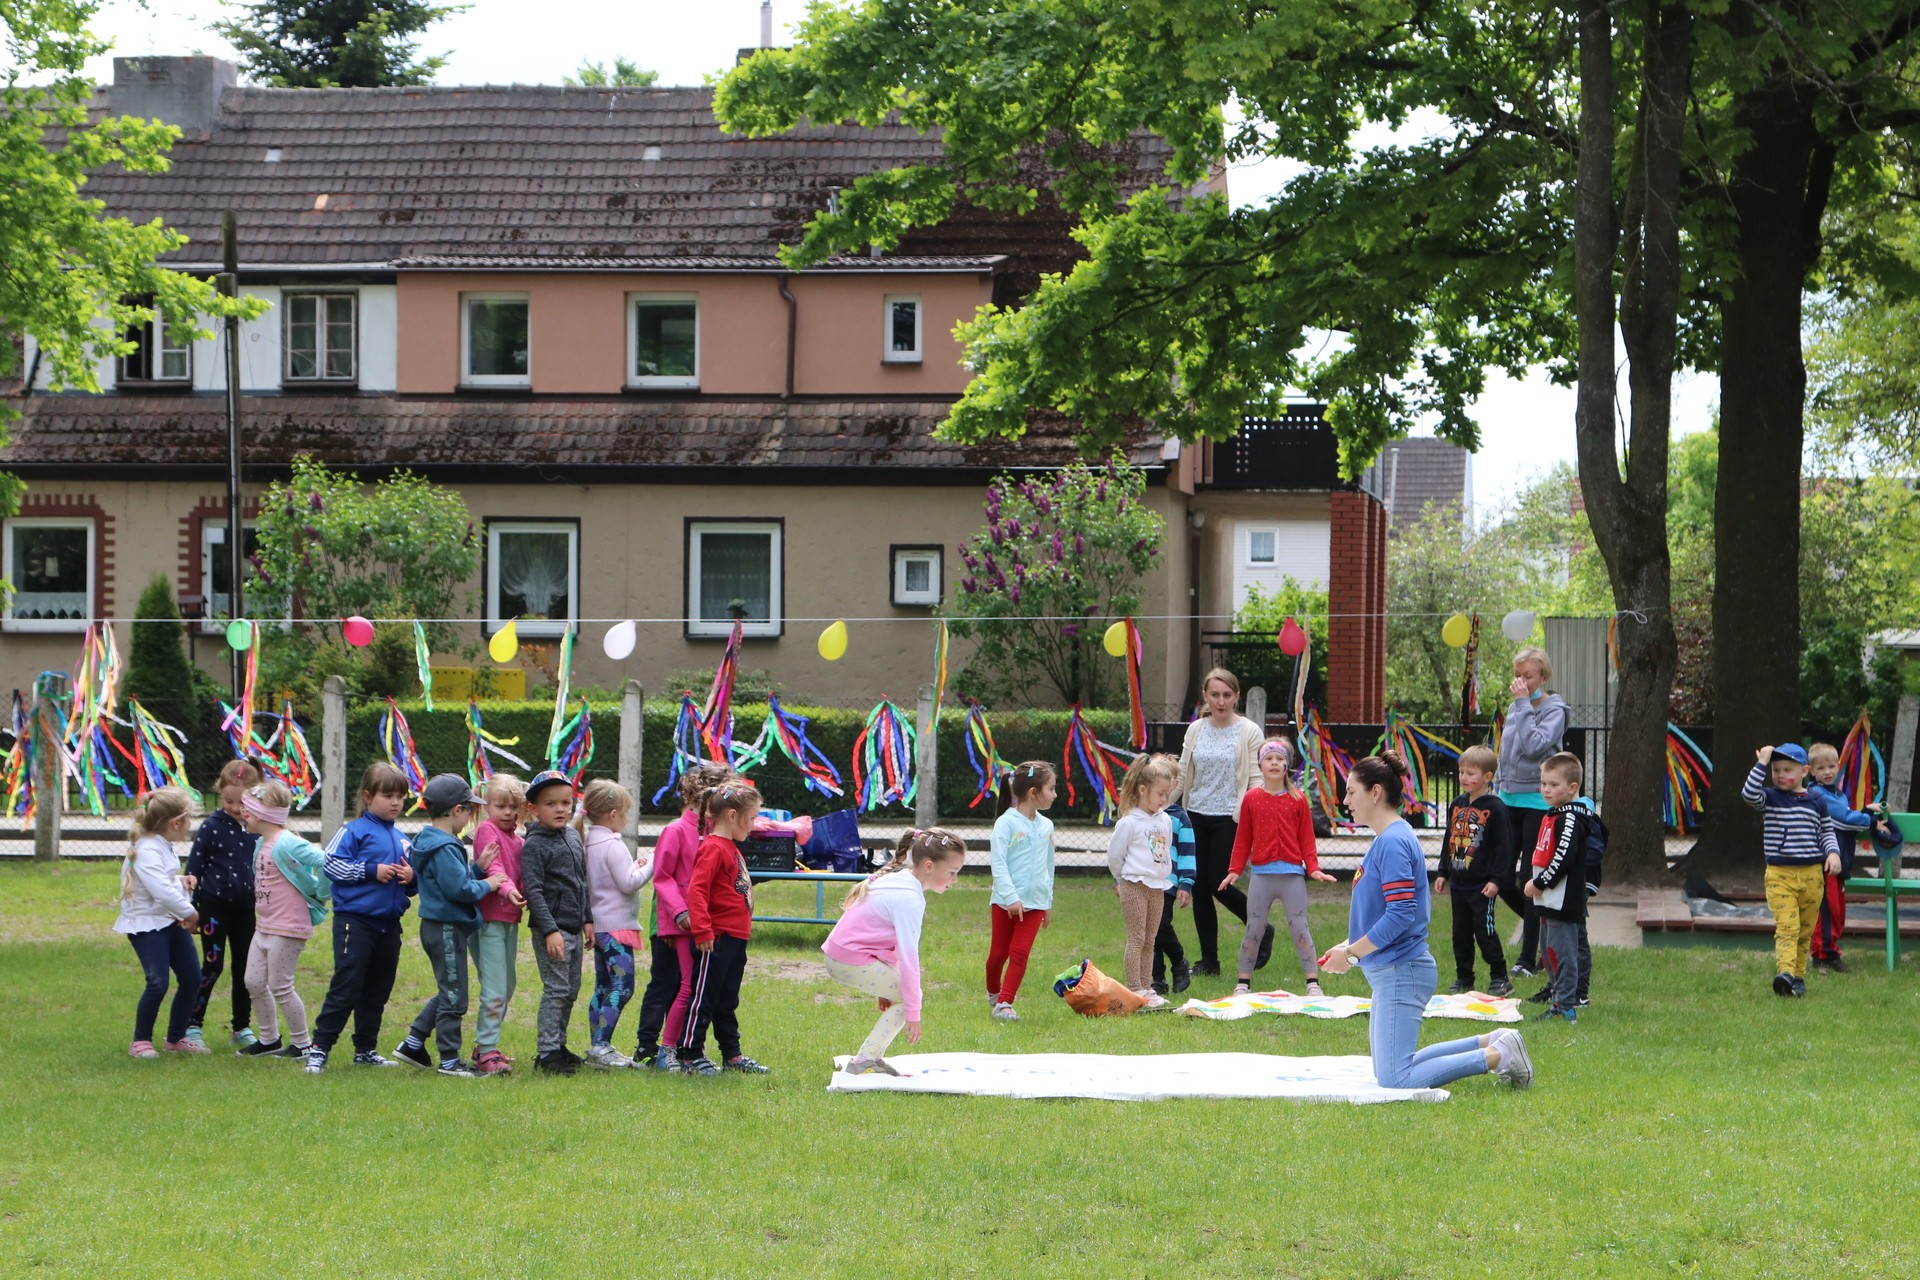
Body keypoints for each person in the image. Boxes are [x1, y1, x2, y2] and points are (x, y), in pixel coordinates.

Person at [1320, 753, 1534, 1091]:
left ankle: (1498, 1056)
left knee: (1396, 1078)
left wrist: (1351, 955)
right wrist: (1348, 947)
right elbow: (1384, 912)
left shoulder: (1393, 841)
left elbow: (1401, 914)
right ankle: (1494, 1041)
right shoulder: (1389, 837)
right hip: (1395, 971)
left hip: (1401, 971)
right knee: (1391, 1069)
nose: (1345, 801)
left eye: (1350, 792)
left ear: (1375, 793)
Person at [823, 827, 968, 1076]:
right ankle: (866, 1059)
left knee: (905, 995)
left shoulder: (901, 881)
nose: (954, 879)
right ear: (929, 866)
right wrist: (913, 1012)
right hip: (847, 959)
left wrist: (886, 986)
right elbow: (910, 959)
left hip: (841, 955)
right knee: (910, 997)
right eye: (952, 872)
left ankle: (870, 1057)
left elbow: (887, 943)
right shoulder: (909, 898)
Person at [393, 775, 508, 1078]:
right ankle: (449, 1061)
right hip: (445, 928)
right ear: (457, 810)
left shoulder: (431, 841)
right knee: (455, 997)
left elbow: (451, 878)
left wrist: (478, 868)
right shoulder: (444, 847)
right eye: (470, 810)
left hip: (438, 926)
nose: (470, 817)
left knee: (450, 990)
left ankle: (413, 1043)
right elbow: (458, 889)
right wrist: (488, 884)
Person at [305, 763, 416, 1074]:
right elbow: (331, 865)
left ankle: (365, 1050)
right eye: (388, 796)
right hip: (355, 922)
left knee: (378, 990)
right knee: (347, 986)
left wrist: (412, 877)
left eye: (400, 797)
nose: (395, 803)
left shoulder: (402, 839)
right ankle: (319, 1048)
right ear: (368, 796)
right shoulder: (352, 832)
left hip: (389, 926)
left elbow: (412, 885)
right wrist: (370, 870)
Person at [635, 764, 733, 1073]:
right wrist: (680, 913)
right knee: (685, 987)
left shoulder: (714, 834)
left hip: (705, 923)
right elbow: (663, 878)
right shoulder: (676, 830)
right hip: (681, 924)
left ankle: (690, 1049)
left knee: (699, 988)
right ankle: (662, 1050)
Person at [1175, 669, 1273, 976]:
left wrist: (1255, 817)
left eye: (1227, 695)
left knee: (1219, 882)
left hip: (1230, 818)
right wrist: (1158, 804)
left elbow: (1256, 779)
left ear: (1236, 697)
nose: (1220, 701)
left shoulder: (1249, 731)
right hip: (1195, 815)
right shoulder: (1195, 729)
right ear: (1205, 696)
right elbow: (1182, 773)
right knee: (1199, 888)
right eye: (1215, 695)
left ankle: (1261, 928)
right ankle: (1209, 962)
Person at [1220, 738, 1334, 997]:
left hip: (1292, 876)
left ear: (1287, 765)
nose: (1274, 763)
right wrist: (1234, 869)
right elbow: (1243, 838)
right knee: (1254, 929)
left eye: (1279, 759)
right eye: (1268, 758)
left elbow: (1307, 838)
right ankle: (1243, 983)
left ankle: (1313, 983)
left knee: (1300, 928)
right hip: (1261, 876)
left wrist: (1313, 868)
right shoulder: (1251, 798)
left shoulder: (1298, 799)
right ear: (1260, 765)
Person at [682, 780, 772, 1075]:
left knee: (726, 1000)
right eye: (752, 818)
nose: (754, 825)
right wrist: (703, 930)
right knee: (704, 998)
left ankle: (732, 1056)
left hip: (735, 939)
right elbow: (697, 891)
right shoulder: (713, 848)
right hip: (716, 940)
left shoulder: (730, 847)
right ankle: (690, 1055)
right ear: (732, 815)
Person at [238, 781, 329, 1060]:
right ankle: (269, 1039)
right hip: (264, 926)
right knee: (253, 982)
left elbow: (325, 861)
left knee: (280, 985)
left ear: (264, 814)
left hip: (287, 927)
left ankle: (302, 1043)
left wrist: (320, 893)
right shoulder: (261, 844)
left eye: (248, 809)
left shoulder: (287, 842)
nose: (243, 814)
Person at [1742, 744, 1841, 998]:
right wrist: (1762, 763)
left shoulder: (1816, 800)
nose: (1780, 775)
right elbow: (1749, 794)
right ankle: (1785, 972)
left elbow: (1827, 831)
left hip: (1812, 876)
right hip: (1780, 875)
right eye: (1776, 770)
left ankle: (1797, 978)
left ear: (1804, 771)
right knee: (1787, 927)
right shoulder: (1770, 798)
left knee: (1805, 931)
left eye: (1787, 770)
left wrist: (1833, 853)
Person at [1493, 647, 1567, 976]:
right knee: (1501, 875)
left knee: (1529, 879)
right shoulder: (1515, 707)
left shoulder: (1554, 709)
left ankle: (1527, 960)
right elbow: (1507, 750)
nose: (1521, 681)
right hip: (1508, 800)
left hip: (1536, 804)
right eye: (1518, 675)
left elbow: (1535, 746)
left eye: (1529, 676)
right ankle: (1540, 925)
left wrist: (1524, 704)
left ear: (1543, 677)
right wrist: (1497, 787)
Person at [115, 787, 203, 1058]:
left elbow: (163, 882)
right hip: (147, 926)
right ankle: (140, 1041)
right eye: (189, 819)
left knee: (192, 978)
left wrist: (181, 881)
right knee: (157, 983)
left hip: (168, 920)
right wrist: (192, 914)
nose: (190, 825)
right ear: (176, 822)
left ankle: (176, 1039)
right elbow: (161, 892)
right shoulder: (148, 849)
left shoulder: (160, 845)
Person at [183, 758, 264, 1048]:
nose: (235, 808)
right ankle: (192, 1025)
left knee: (246, 970)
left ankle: (241, 1027)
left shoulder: (258, 827)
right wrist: (191, 909)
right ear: (220, 793)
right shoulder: (211, 827)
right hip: (214, 908)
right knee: (212, 965)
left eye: (241, 802)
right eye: (229, 801)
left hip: (247, 910)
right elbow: (193, 871)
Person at [520, 769, 593, 1075]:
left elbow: (581, 881)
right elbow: (534, 891)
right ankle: (547, 1053)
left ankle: (560, 1046)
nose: (560, 809)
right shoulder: (535, 845)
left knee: (571, 989)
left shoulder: (573, 836)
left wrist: (587, 919)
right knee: (556, 989)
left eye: (565, 802)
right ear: (534, 809)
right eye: (551, 804)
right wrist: (550, 931)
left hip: (574, 926)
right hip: (553, 930)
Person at [581, 779, 654, 1069]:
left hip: (599, 926)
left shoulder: (589, 841)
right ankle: (602, 1045)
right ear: (613, 815)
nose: (625, 819)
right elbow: (628, 884)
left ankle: (596, 1046)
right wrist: (652, 864)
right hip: (616, 928)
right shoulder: (613, 844)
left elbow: (612, 880)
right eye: (625, 813)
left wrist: (634, 867)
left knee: (602, 986)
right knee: (623, 987)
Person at [1435, 744, 1514, 997]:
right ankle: (1464, 977)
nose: (1464, 777)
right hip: (1458, 885)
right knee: (1460, 933)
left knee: (1484, 930)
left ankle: (1500, 976)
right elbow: (1449, 838)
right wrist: (1443, 872)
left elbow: (1504, 848)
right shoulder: (1457, 804)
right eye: (1461, 772)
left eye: (1471, 773)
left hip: (1482, 886)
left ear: (1488, 777)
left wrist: (1497, 880)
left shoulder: (1496, 807)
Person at [1520, 753, 1593, 1023]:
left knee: (1562, 953)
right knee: (1549, 951)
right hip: (1548, 900)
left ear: (1572, 788)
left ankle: (1566, 1005)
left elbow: (1564, 857)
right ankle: (1558, 996)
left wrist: (1540, 883)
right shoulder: (1553, 814)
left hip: (1562, 900)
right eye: (1543, 784)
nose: (1546, 790)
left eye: (1553, 785)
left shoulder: (1570, 817)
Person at [986, 760, 1057, 1021]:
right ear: (1033, 792)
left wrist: (1047, 902)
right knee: (998, 955)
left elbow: (1049, 866)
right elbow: (998, 864)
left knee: (1019, 953)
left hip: (1035, 904)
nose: (1055, 795)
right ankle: (993, 994)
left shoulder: (1047, 826)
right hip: (1004, 903)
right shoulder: (1006, 823)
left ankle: (1005, 1003)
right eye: (1051, 789)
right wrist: (1011, 898)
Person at [1107, 755, 1179, 1007]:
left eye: (1167, 794)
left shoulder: (1165, 819)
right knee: (1137, 938)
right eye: (1160, 794)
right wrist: (1120, 880)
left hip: (1157, 887)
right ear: (1142, 790)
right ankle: (1134, 988)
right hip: (1134, 886)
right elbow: (1115, 856)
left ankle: (1147, 988)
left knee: (1151, 940)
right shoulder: (1129, 823)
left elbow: (1165, 850)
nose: (1164, 799)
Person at [1806, 742, 1881, 974]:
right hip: (1826, 862)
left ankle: (1822, 953)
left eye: (1831, 766)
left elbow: (1847, 822)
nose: (1827, 772)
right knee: (1829, 911)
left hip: (1839, 863)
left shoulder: (1837, 794)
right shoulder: (1818, 794)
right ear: (1811, 771)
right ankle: (1826, 955)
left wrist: (1866, 812)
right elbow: (1844, 819)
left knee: (1835, 910)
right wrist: (1871, 821)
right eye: (1821, 768)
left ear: (1838, 766)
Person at [469, 774, 527, 1076]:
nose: (507, 812)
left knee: (507, 985)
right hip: (488, 920)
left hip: (509, 920)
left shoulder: (520, 840)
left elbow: (523, 874)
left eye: (513, 807)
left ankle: (484, 1046)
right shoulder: (486, 830)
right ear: (487, 806)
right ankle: (487, 1050)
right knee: (494, 989)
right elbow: (494, 868)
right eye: (500, 806)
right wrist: (508, 890)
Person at [1151, 788, 1198, 996]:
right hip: (1142, 880)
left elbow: (1187, 851)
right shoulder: (1138, 814)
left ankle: (1179, 961)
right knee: (1148, 933)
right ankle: (1157, 980)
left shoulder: (1178, 817)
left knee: (1160, 925)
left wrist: (1186, 883)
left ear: (1174, 784)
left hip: (1167, 881)